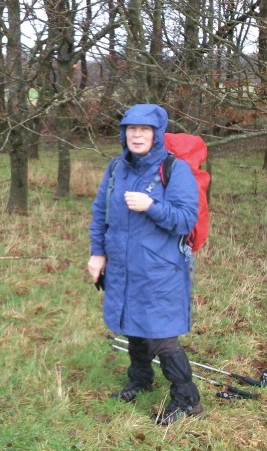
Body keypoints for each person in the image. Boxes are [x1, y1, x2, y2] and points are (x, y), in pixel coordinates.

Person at [87, 104, 203, 425]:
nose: (137, 135)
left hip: (160, 269)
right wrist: (98, 253)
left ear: (156, 134)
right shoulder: (116, 169)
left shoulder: (174, 170)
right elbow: (101, 214)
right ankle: (140, 380)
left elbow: (184, 219)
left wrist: (152, 206)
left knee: (160, 334)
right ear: (124, 134)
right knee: (130, 322)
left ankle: (187, 399)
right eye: (131, 129)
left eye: (144, 129)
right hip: (124, 265)